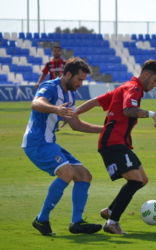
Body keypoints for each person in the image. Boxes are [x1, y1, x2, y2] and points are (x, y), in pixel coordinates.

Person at [74, 59, 156, 234]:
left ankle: (110, 211)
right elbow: (128, 110)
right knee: (135, 180)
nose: (155, 85)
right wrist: (152, 114)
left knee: (142, 180)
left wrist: (74, 112)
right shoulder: (134, 88)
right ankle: (112, 222)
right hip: (112, 143)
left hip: (121, 143)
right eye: (155, 80)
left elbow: (95, 101)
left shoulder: (124, 87)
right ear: (146, 75)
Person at [22, 58, 103, 236]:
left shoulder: (70, 95)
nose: (81, 84)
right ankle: (41, 219)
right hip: (36, 142)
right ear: (67, 74)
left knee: (84, 175)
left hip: (50, 142)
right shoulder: (50, 87)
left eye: (83, 80)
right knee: (67, 173)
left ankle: (76, 223)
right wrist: (56, 109)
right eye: (79, 79)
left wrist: (105, 130)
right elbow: (36, 103)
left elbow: (76, 125)